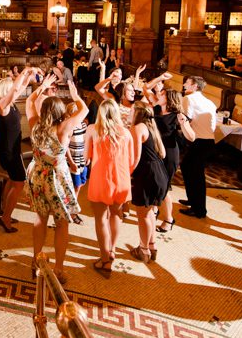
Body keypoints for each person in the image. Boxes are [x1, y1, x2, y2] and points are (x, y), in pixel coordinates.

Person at [25, 75, 88, 283]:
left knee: (40, 219)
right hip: (57, 178)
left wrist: (41, 87)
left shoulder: (35, 124)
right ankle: (59, 269)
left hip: (38, 175)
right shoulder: (63, 128)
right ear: (60, 112)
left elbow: (29, 102)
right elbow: (85, 111)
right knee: (61, 223)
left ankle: (36, 260)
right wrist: (76, 96)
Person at [85, 99, 135, 272]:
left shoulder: (92, 130)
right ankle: (112, 249)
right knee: (116, 213)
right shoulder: (127, 133)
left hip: (101, 177)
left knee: (100, 220)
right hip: (121, 178)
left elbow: (86, 157)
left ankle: (105, 259)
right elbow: (132, 160)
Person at [0, 69, 36, 233]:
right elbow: (14, 90)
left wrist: (28, 77)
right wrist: (24, 71)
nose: (15, 90)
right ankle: (5, 219)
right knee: (19, 182)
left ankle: (5, 212)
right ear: (6, 90)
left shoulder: (9, 104)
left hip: (11, 147)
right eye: (12, 88)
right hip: (7, 150)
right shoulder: (2, 106)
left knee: (12, 179)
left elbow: (20, 88)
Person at [129, 104, 170, 263]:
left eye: (132, 110)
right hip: (159, 172)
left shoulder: (138, 128)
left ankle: (143, 249)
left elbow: (136, 157)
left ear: (137, 113)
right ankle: (151, 246)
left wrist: (128, 174)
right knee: (151, 211)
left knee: (143, 214)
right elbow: (163, 153)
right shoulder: (151, 127)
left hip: (147, 174)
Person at [155, 89, 195, 233]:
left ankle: (168, 220)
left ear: (169, 98)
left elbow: (191, 137)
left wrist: (184, 124)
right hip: (154, 152)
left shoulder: (177, 116)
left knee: (164, 187)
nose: (159, 95)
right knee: (154, 183)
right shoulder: (156, 110)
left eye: (162, 94)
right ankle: (154, 211)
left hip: (169, 153)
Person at [177, 75, 216, 219]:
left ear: (195, 86)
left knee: (196, 176)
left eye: (187, 83)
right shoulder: (210, 102)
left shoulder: (188, 99)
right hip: (208, 141)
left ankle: (199, 210)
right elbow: (212, 125)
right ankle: (193, 200)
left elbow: (185, 119)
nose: (184, 85)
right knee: (188, 168)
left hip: (199, 141)